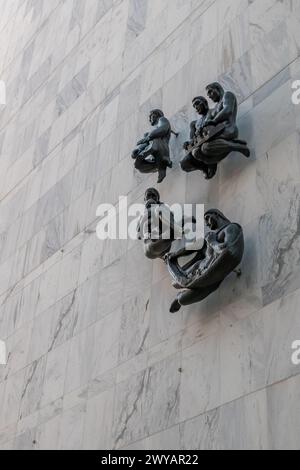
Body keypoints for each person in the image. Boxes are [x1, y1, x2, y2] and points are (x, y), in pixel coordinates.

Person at [132, 109, 173, 183]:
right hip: (155, 154)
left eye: (150, 116)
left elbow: (163, 129)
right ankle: (160, 166)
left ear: (156, 114)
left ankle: (163, 164)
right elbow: (144, 144)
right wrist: (137, 152)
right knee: (137, 165)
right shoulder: (149, 134)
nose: (149, 119)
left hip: (162, 149)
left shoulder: (162, 119)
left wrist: (148, 137)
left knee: (154, 140)